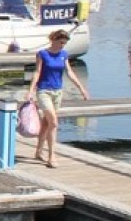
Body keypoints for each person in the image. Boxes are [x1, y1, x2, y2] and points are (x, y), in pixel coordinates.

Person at [26, 28, 88, 167]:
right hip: (44, 91)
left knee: (46, 123)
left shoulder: (64, 54)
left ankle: (38, 151)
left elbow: (70, 72)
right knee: (54, 122)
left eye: (64, 43)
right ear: (53, 40)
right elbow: (37, 72)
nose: (62, 45)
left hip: (57, 92)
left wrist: (81, 88)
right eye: (60, 42)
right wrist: (31, 90)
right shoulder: (42, 54)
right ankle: (52, 156)